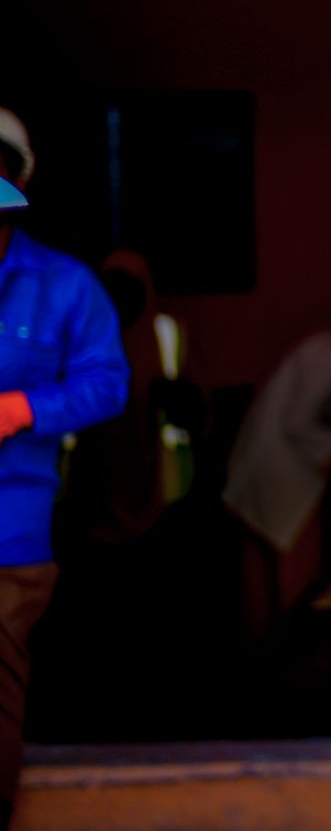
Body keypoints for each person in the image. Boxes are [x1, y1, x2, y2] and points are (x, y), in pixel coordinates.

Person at [0, 108, 129, 829]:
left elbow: (108, 383)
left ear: (17, 181)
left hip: (11, 537)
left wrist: (24, 407)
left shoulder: (65, 283)